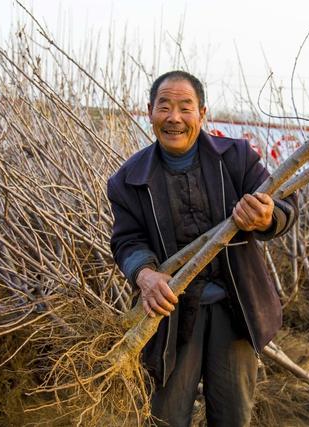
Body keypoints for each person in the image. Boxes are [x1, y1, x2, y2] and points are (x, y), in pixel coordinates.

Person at [107, 70, 297, 427]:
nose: (174, 118)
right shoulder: (128, 180)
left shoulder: (236, 158)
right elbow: (127, 240)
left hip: (236, 306)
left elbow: (285, 204)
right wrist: (145, 276)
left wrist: (266, 216)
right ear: (150, 112)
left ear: (202, 114)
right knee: (166, 416)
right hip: (172, 313)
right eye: (164, 107)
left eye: (185, 107)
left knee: (233, 415)